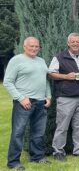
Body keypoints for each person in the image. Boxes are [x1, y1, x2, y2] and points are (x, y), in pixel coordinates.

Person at [4, 37, 51, 170]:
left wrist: (48, 96)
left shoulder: (41, 61)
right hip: (24, 103)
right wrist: (20, 98)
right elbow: (8, 82)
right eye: (31, 46)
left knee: (38, 132)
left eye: (37, 46)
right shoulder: (16, 60)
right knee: (18, 132)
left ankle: (37, 157)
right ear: (24, 47)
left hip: (41, 102)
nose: (34, 48)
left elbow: (45, 80)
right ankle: (13, 162)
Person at [48, 33, 79, 161]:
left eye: (78, 42)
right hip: (66, 97)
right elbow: (50, 73)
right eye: (73, 42)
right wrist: (66, 76)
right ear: (68, 43)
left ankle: (78, 150)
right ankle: (58, 151)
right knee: (62, 126)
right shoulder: (59, 57)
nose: (75, 44)